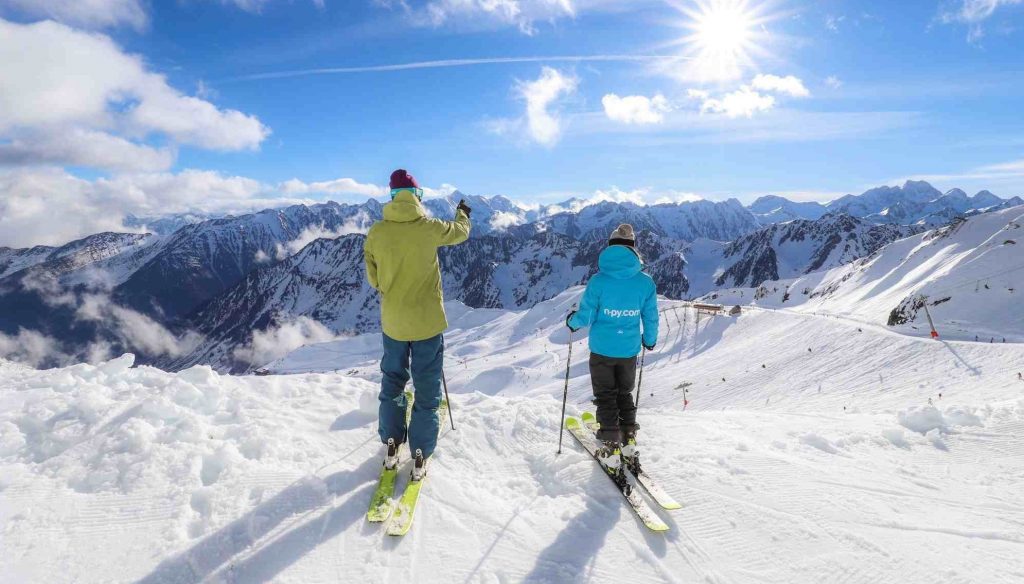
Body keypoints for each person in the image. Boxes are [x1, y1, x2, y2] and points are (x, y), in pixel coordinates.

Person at [364, 169, 471, 480]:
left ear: (391, 196)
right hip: (427, 324)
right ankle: (421, 451)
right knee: (426, 388)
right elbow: (460, 232)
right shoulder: (428, 227)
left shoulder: (377, 232)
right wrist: (462, 213)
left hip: (394, 323)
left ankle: (392, 442)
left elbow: (374, 278)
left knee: (393, 382)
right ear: (417, 196)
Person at [566, 223, 658, 473]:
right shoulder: (645, 283)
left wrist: (572, 323)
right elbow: (651, 317)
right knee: (624, 394)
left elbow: (585, 315)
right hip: (628, 350)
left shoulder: (598, 281)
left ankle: (609, 447)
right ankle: (628, 442)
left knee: (606, 396)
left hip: (602, 349)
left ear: (610, 246)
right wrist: (649, 340)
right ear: (633, 249)